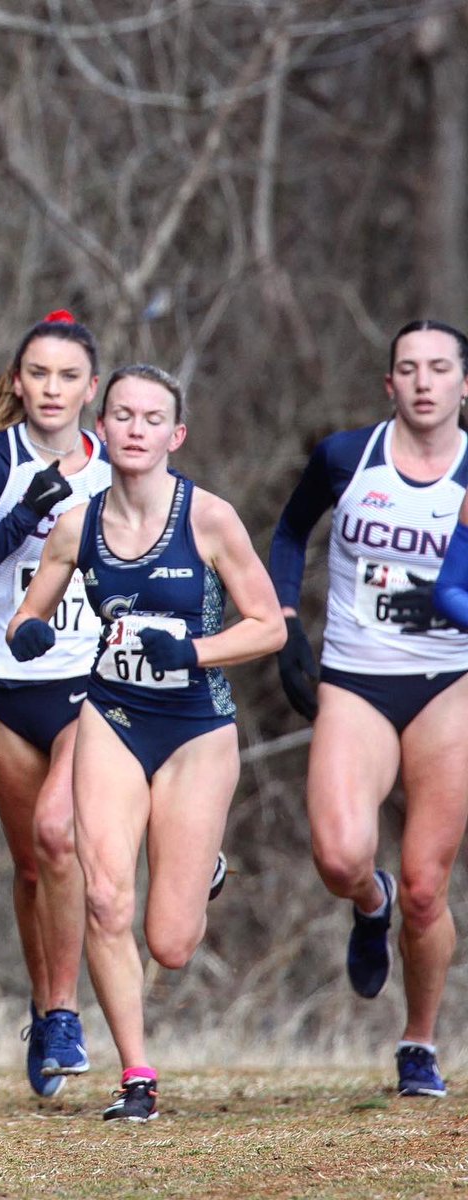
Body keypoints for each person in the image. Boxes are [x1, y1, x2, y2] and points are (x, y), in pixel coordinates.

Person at [7, 364, 284, 1122]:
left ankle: (204, 872)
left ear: (175, 435)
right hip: (113, 717)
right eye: (123, 415)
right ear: (103, 426)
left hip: (196, 728)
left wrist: (193, 651)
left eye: (152, 418)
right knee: (103, 897)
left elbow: (269, 626)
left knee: (171, 943)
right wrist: (28, 634)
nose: (136, 429)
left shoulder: (211, 519)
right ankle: (137, 1076)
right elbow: (26, 614)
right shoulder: (77, 524)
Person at [270, 319, 468, 1100]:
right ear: (389, 384)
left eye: (440, 368)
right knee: (341, 857)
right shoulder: (347, 457)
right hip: (355, 678)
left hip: (449, 683)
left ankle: (419, 1042)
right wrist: (287, 624)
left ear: (464, 385)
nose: (424, 382)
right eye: (408, 369)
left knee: (426, 886)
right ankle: (367, 900)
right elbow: (290, 534)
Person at [0, 310, 111, 1098]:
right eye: (38, 373)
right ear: (17, 380)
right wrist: (25, 514)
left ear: (91, 388)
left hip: (88, 685)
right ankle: (43, 1012)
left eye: (68, 376)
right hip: (6, 688)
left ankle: (67, 1013)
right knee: (32, 867)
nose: (52, 388)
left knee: (58, 836)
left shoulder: (115, 462)